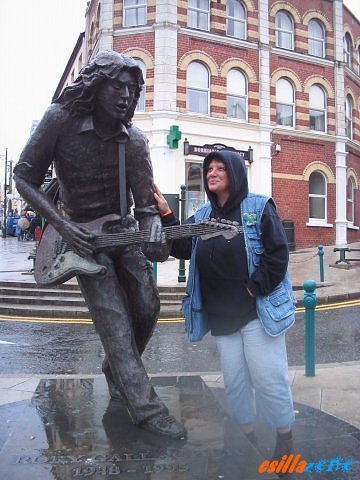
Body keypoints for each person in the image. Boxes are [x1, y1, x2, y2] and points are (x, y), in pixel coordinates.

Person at [14, 50, 186, 439]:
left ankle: (116, 370)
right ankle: (147, 409)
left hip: (121, 232)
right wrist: (60, 222)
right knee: (114, 320)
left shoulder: (136, 143)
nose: (126, 95)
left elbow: (144, 207)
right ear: (95, 84)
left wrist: (154, 224)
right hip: (77, 237)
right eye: (117, 85)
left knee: (147, 305)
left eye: (133, 88)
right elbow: (23, 177)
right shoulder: (60, 121)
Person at [154, 150, 296, 461]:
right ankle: (248, 437)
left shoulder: (258, 207)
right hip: (221, 317)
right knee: (234, 383)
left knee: (268, 379)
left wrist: (252, 288)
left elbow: (277, 254)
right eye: (209, 169)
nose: (212, 173)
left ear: (234, 172)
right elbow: (181, 247)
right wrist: (166, 213)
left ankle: (285, 438)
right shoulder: (203, 214)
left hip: (255, 312)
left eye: (220, 168)